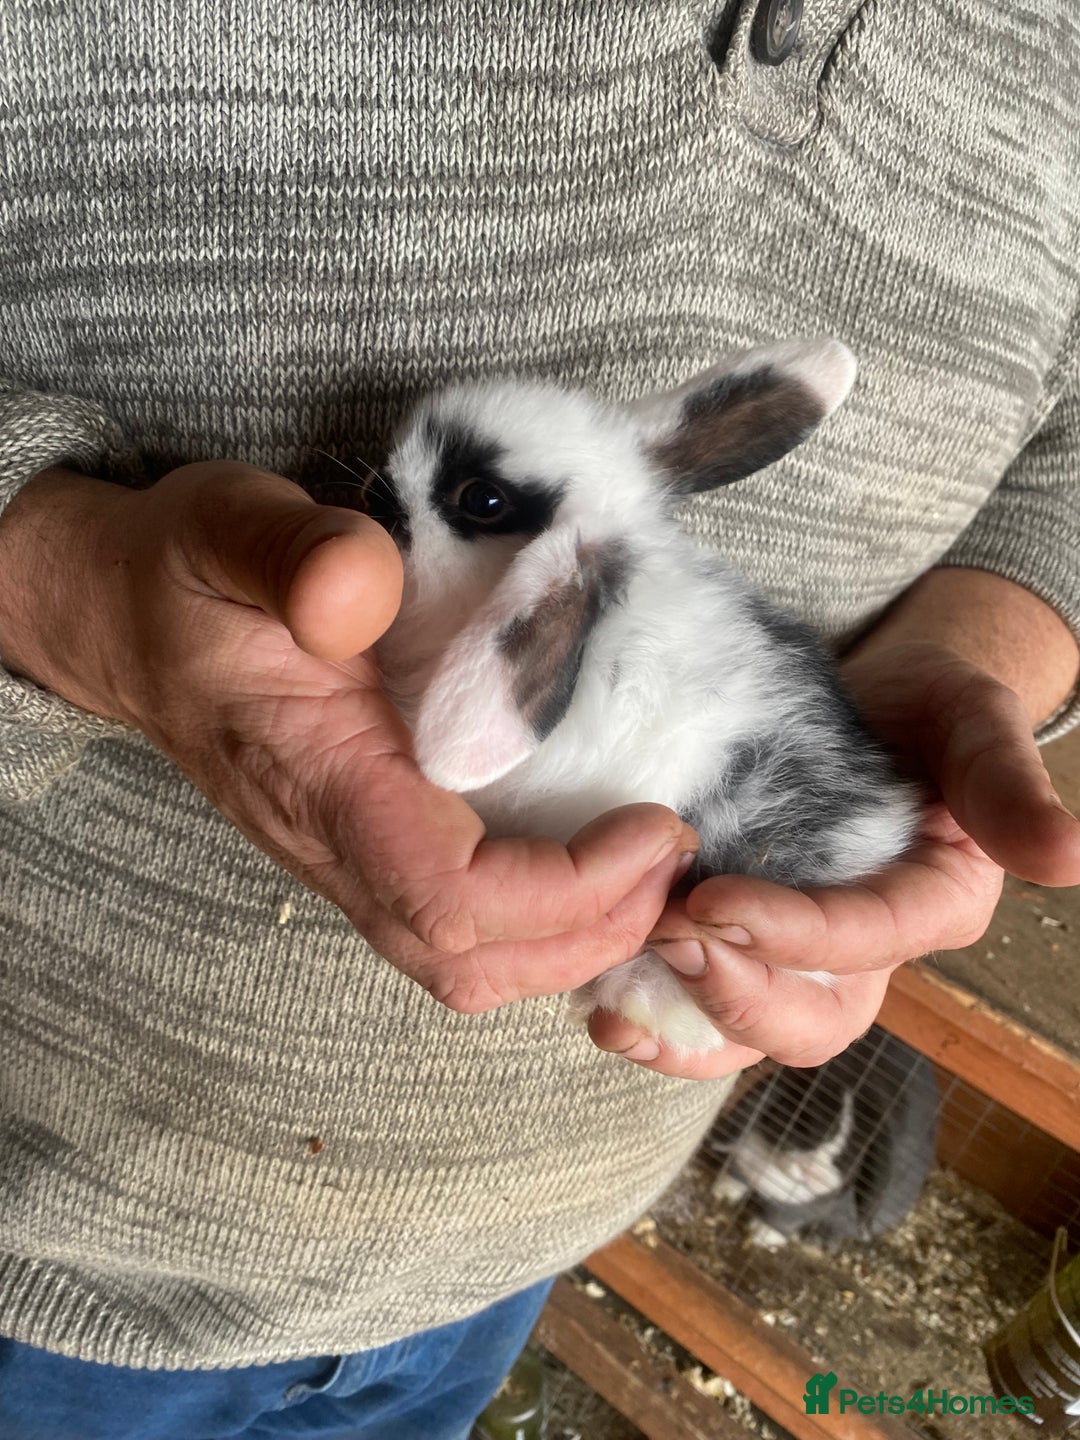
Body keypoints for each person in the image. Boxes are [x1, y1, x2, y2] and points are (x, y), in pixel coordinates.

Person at [0, 3, 1078, 1437]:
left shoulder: (537, 628)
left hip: (519, 1248)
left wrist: (985, 642)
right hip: (64, 1250)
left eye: (474, 509)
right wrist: (65, 580)